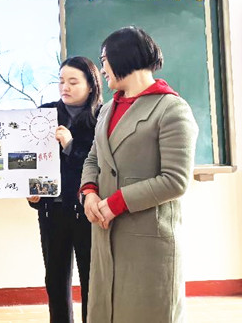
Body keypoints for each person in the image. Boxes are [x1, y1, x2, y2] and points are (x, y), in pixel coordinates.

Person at [81, 27, 198, 323]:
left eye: (104, 60)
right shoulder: (108, 109)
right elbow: (94, 157)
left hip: (148, 242)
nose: (102, 69)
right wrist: (89, 192)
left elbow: (175, 180)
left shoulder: (172, 108)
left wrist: (115, 203)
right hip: (105, 233)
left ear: (122, 57)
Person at [27, 56, 102, 323]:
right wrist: (33, 195)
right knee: (55, 281)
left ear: (91, 85)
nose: (65, 87)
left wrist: (71, 146)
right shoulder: (44, 114)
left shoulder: (103, 117)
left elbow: (102, 165)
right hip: (52, 211)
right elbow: (33, 162)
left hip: (88, 211)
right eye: (61, 81)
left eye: (73, 82)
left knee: (92, 279)